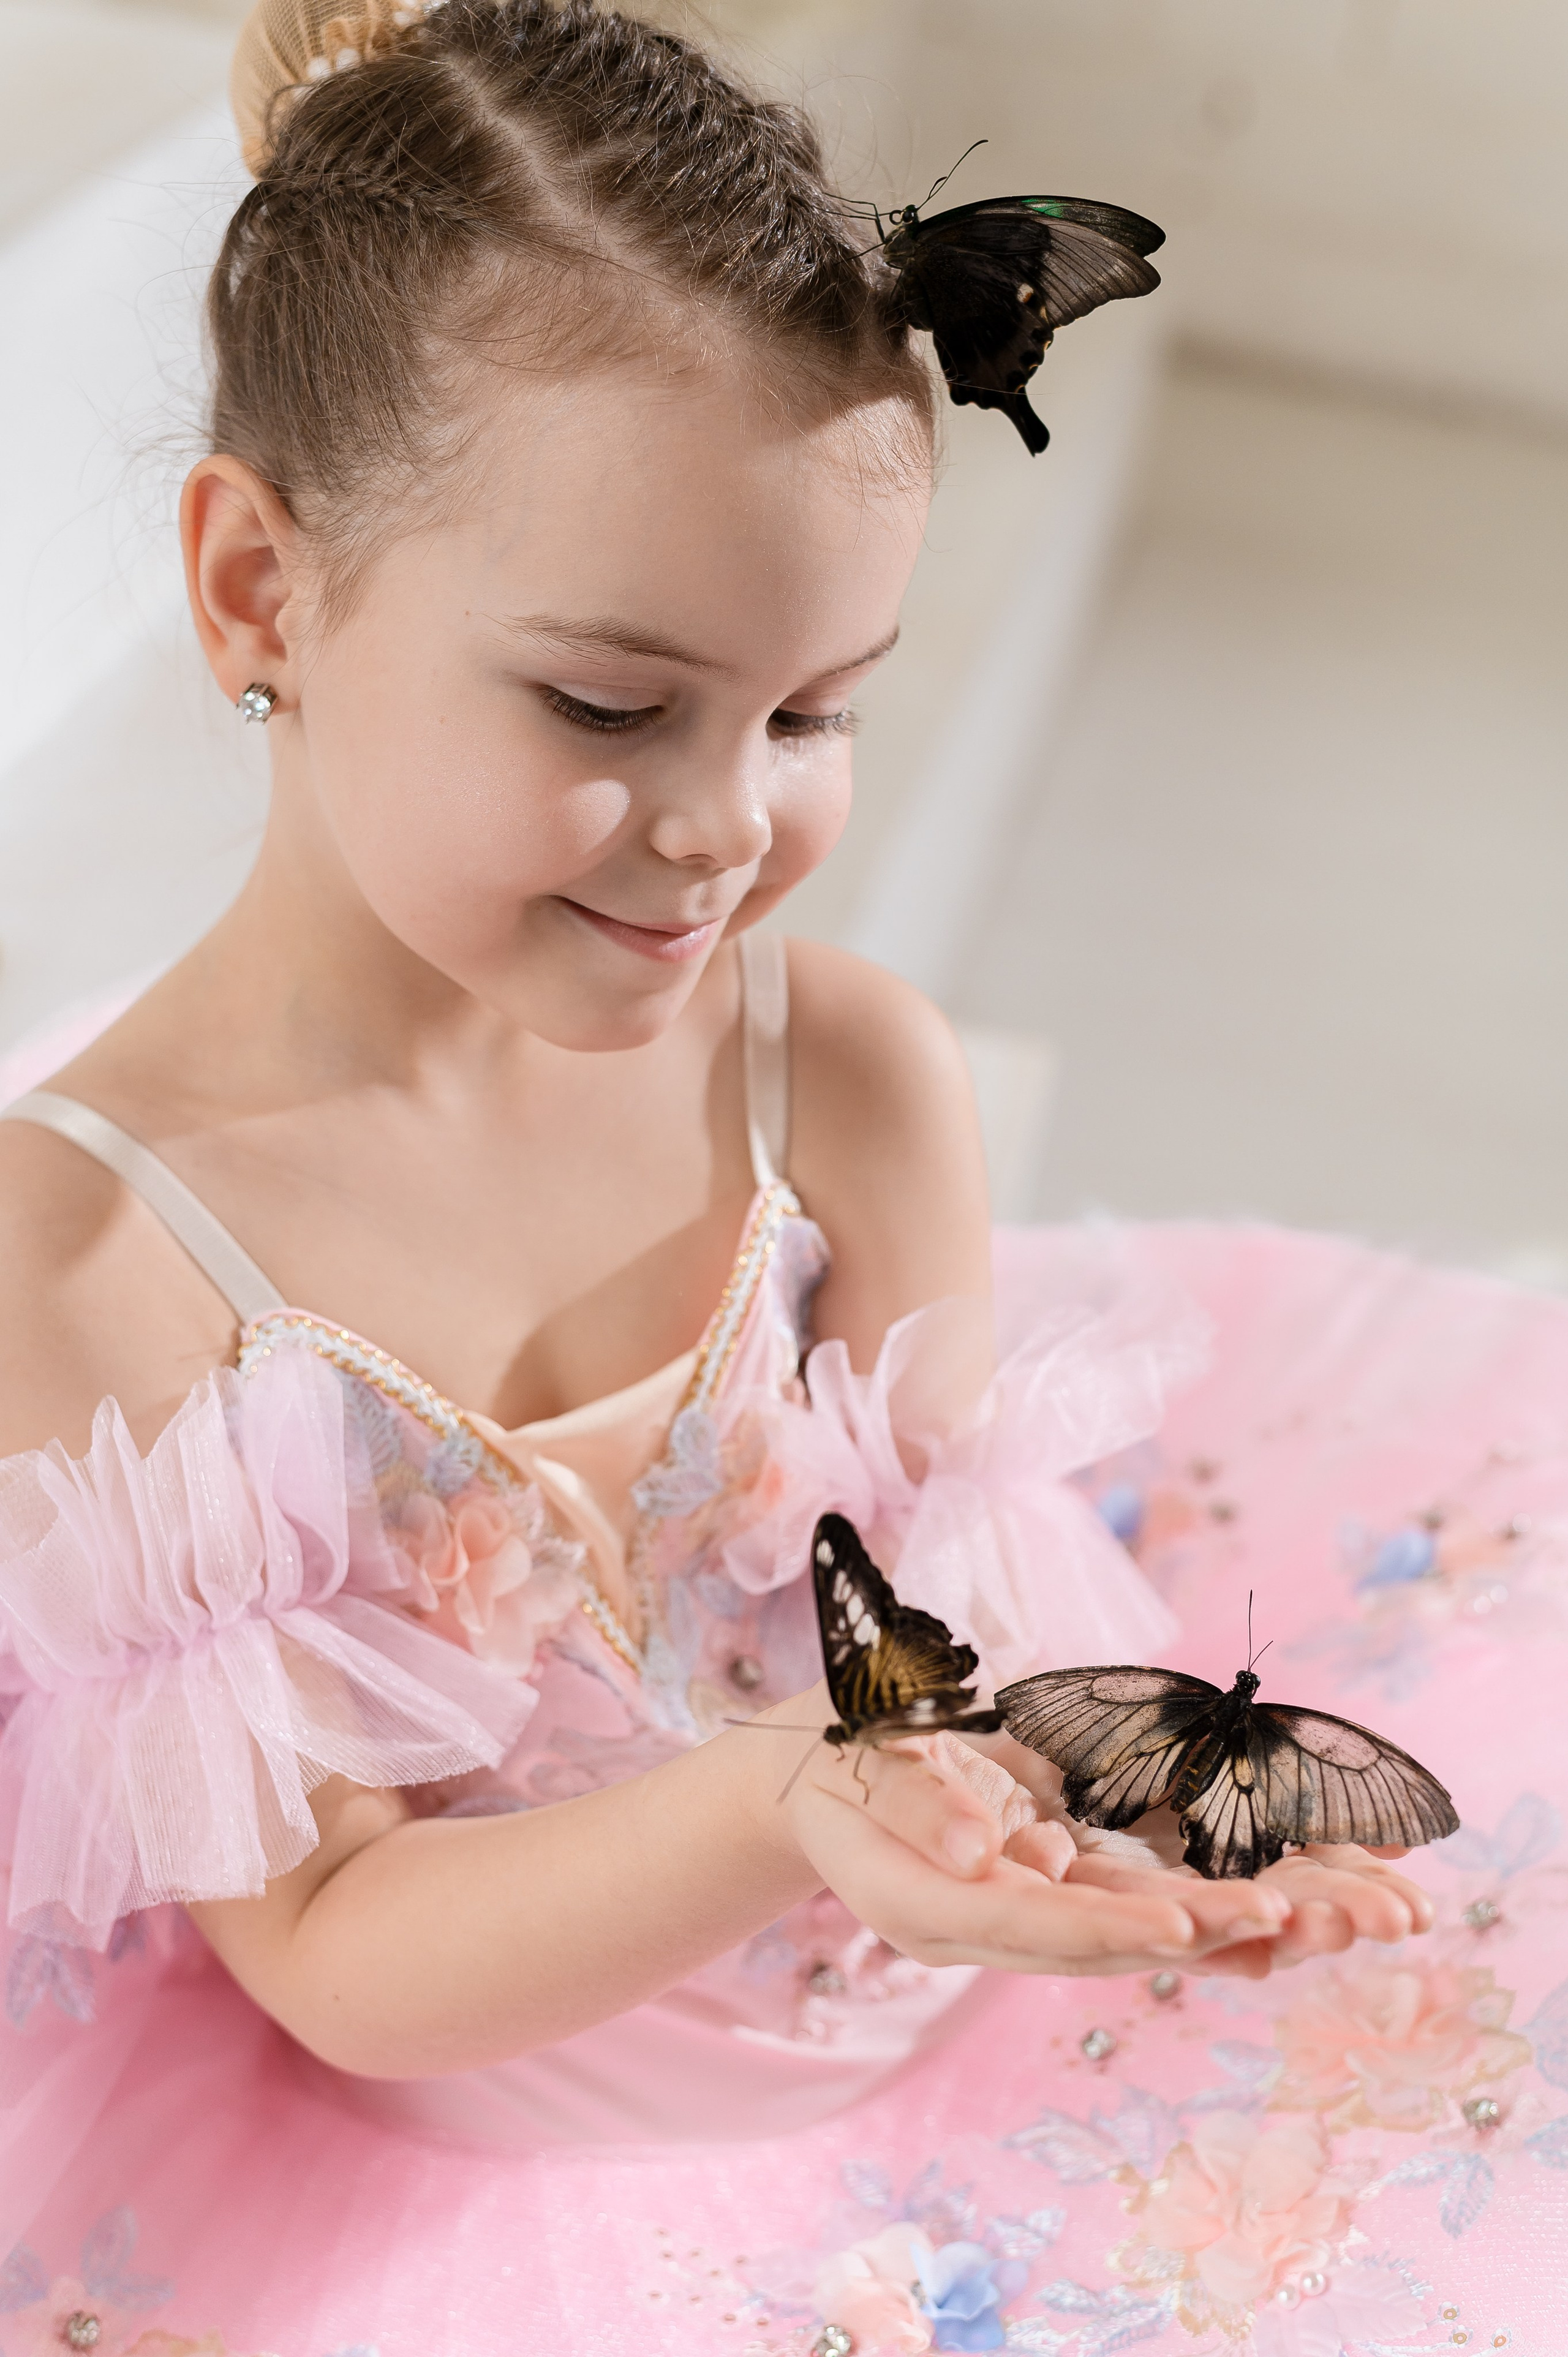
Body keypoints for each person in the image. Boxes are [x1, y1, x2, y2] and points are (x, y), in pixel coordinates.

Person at [0, 5, 1556, 2351]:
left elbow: (982, 1600)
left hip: (957, 2044)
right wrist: (770, 1810)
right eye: (611, 708)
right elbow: (330, 1948)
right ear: (257, 593)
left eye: (815, 710)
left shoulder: (833, 1073)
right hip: (504, 2202)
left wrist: (1122, 1846)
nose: (735, 823)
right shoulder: (98, 1262)